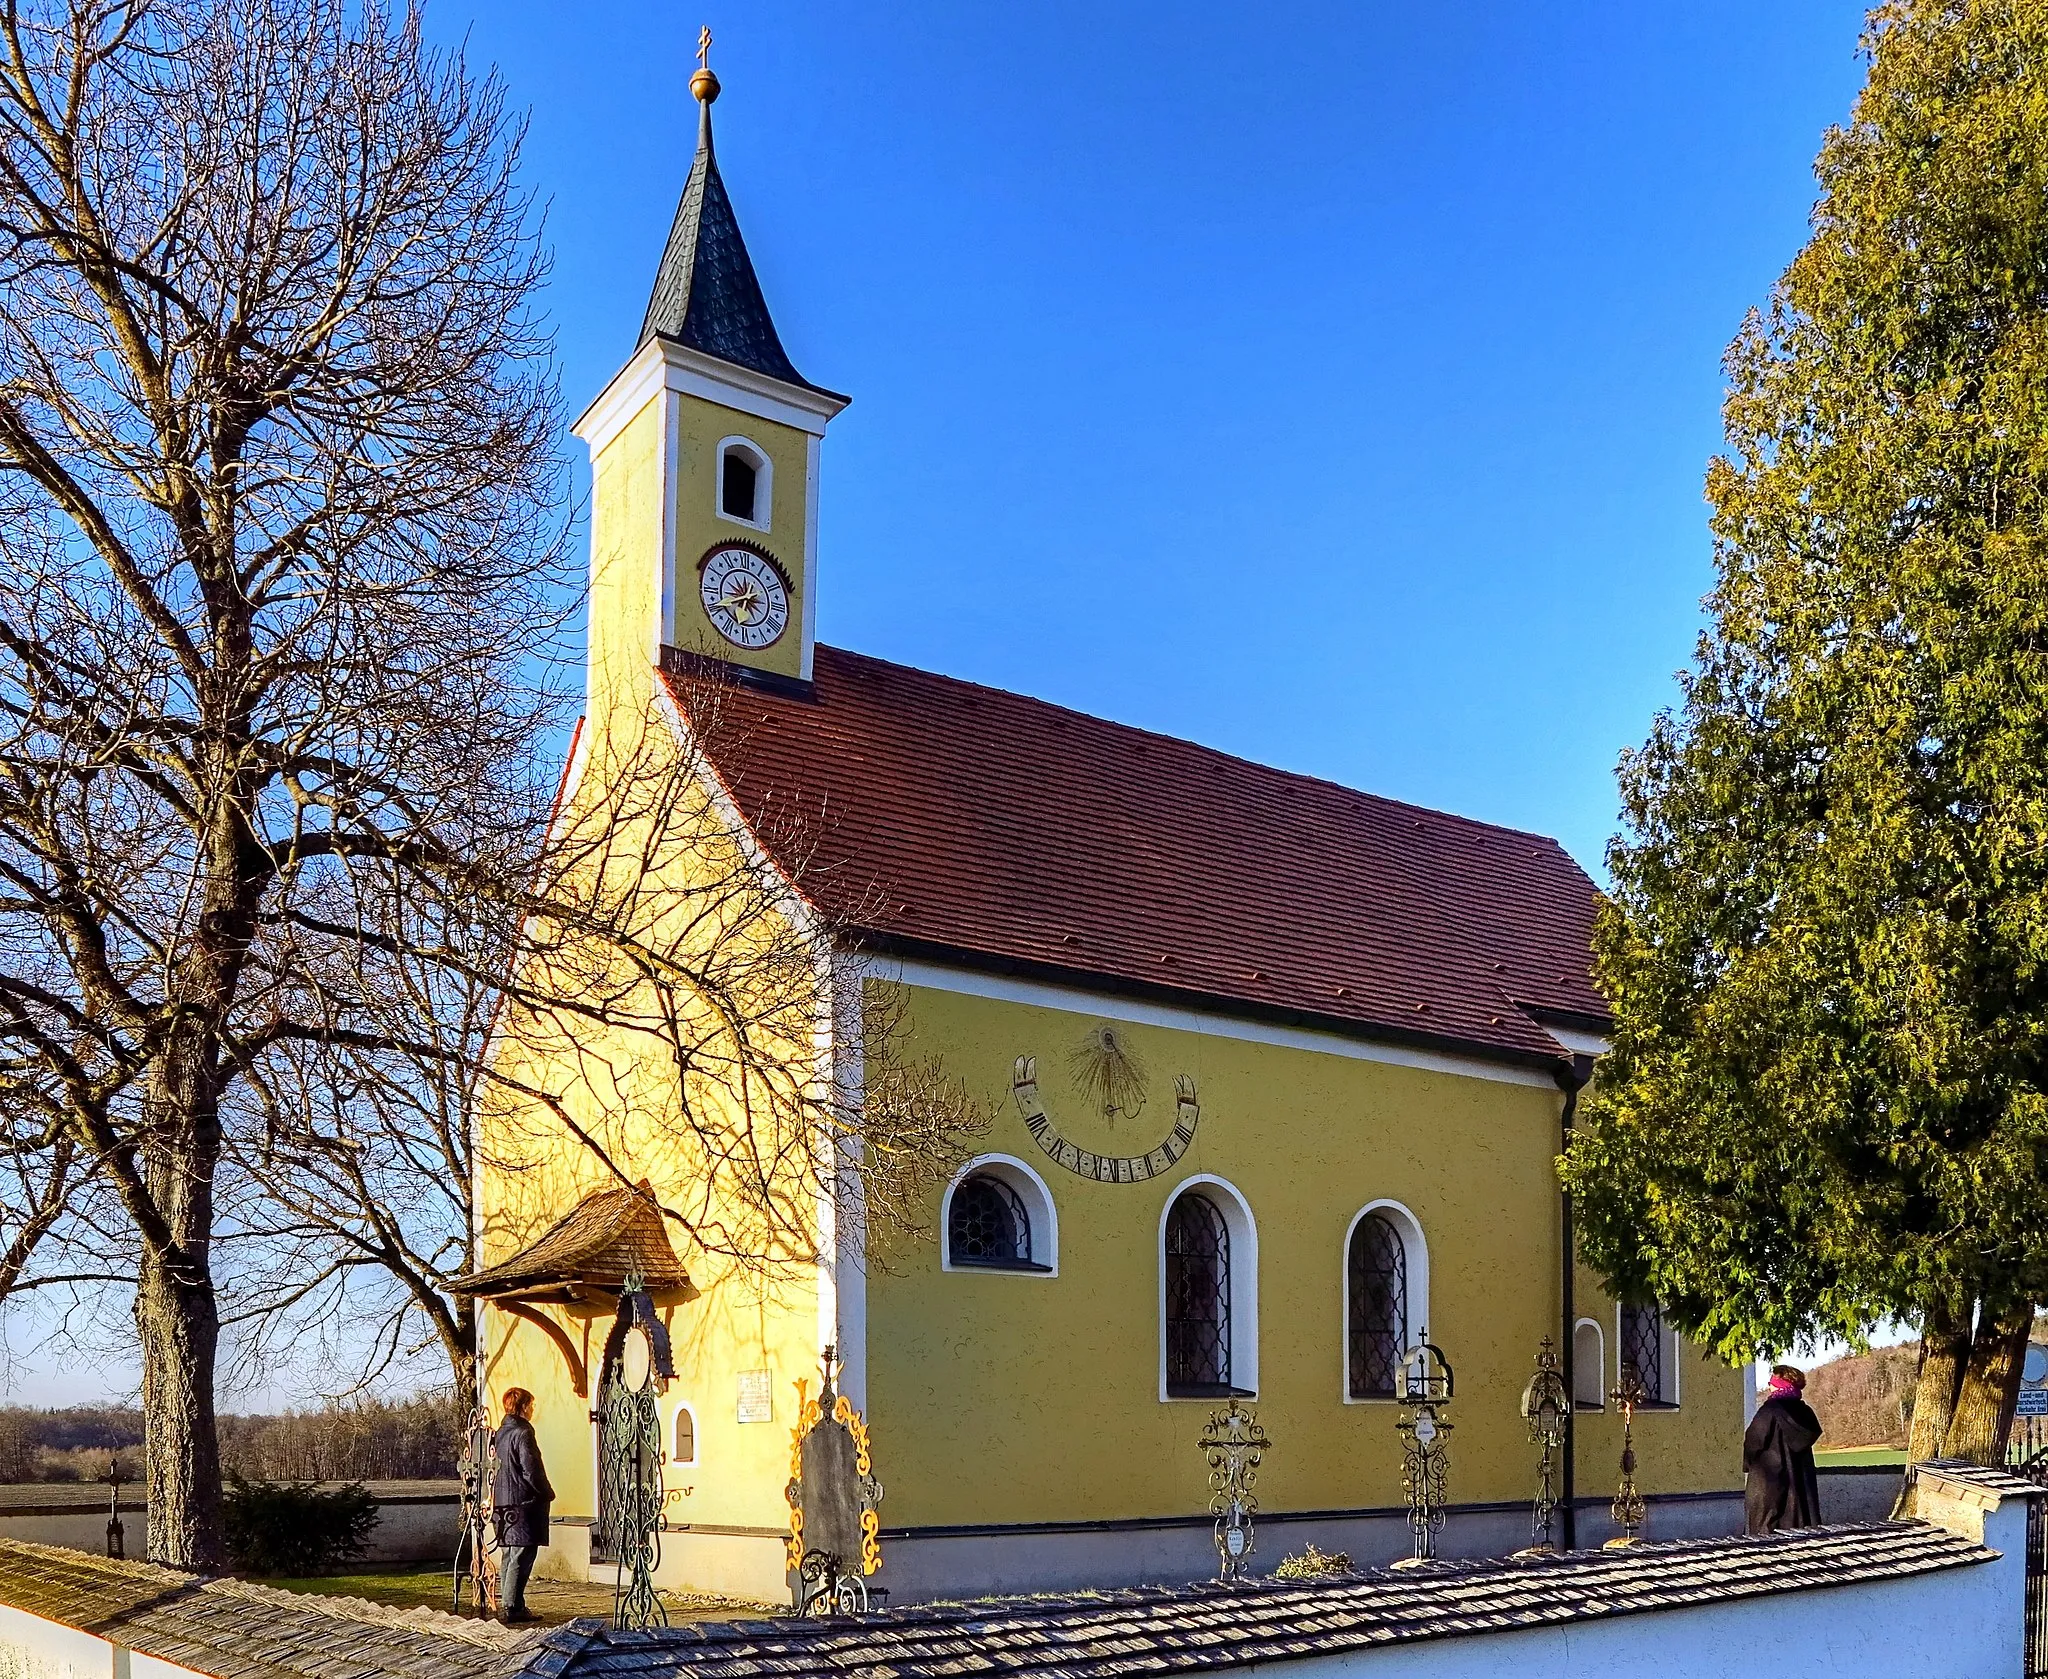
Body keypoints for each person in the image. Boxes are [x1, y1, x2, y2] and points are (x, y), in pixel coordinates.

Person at [492, 1387, 553, 1624]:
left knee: (509, 1554)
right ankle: (513, 1607)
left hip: (503, 1504)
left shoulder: (500, 1433)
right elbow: (531, 1470)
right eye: (531, 1404)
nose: (533, 1409)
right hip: (523, 1504)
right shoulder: (523, 1433)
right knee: (521, 1555)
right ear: (523, 1406)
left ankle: (510, 1604)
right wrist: (546, 1492)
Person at [1744, 1363, 1823, 1534]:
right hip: (1800, 1479)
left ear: (1780, 1385)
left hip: (1768, 1480)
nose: (1769, 1385)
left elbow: (1754, 1440)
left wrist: (1748, 1463)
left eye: (1772, 1381)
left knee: (1764, 1527)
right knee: (1798, 1526)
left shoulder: (1770, 1410)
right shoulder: (1805, 1412)